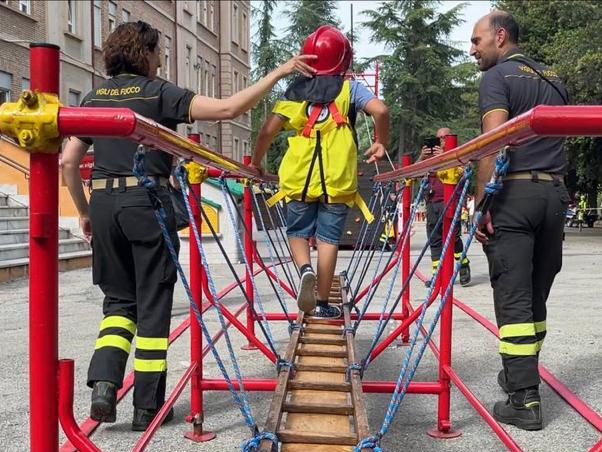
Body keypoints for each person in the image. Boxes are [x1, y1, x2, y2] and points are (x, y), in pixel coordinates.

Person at [61, 21, 316, 430]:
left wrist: (85, 210)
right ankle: (146, 408)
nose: (161, 58)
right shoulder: (158, 91)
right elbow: (229, 109)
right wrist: (279, 72)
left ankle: (105, 384)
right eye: (158, 51)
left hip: (105, 203)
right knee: (153, 303)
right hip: (146, 202)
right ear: (144, 53)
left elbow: (68, 162)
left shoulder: (92, 98)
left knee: (118, 304)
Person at [470, 10, 569, 431]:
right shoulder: (554, 79)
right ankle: (519, 372)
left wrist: (481, 203)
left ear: (500, 36)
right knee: (534, 294)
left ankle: (524, 399)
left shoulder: (497, 78)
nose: (472, 49)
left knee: (512, 294)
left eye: (477, 41)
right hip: (553, 194)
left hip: (514, 194)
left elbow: (493, 141)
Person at [252, 25, 389, 318]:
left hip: (299, 178)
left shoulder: (294, 92)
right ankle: (323, 304)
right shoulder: (351, 89)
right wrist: (380, 143)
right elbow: (381, 110)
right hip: (337, 181)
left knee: (298, 232)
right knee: (328, 239)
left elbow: (266, 131)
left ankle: (304, 270)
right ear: (344, 60)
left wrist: (256, 162)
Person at [418, 128, 472, 287]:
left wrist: (443, 155)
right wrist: (422, 157)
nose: (441, 140)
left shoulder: (459, 154)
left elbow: (466, 171)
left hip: (450, 202)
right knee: (434, 240)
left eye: (445, 137)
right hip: (432, 203)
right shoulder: (429, 158)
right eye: (439, 138)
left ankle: (463, 266)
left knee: (453, 238)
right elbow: (414, 173)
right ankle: (438, 275)